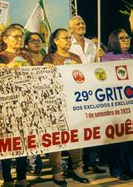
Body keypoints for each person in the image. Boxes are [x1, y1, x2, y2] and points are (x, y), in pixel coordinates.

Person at [42, 28, 90, 185]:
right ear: (55, 41)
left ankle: (77, 170)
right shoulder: (49, 58)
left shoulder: (76, 57)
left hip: (75, 104)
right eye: (65, 38)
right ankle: (57, 173)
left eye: (70, 38)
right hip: (56, 106)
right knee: (57, 140)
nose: (69, 40)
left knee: (76, 138)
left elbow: (83, 78)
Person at [0, 25, 32, 187]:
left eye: (21, 36)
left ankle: (21, 177)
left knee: (22, 142)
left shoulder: (27, 56)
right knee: (6, 143)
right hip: (6, 107)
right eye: (15, 36)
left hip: (24, 104)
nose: (19, 39)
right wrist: (7, 68)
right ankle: (7, 179)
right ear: (6, 39)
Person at [67, 16, 106, 174]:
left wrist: (100, 57)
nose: (81, 25)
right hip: (74, 89)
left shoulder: (92, 44)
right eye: (78, 24)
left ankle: (91, 161)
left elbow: (97, 67)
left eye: (83, 22)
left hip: (91, 89)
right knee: (76, 128)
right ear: (70, 28)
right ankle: (74, 165)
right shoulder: (68, 44)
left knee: (92, 126)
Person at [101, 28, 132, 180]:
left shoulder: (131, 56)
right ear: (114, 40)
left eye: (127, 37)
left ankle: (130, 168)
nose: (126, 40)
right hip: (115, 107)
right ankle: (118, 170)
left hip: (130, 105)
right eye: (122, 38)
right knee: (118, 140)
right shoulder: (107, 58)